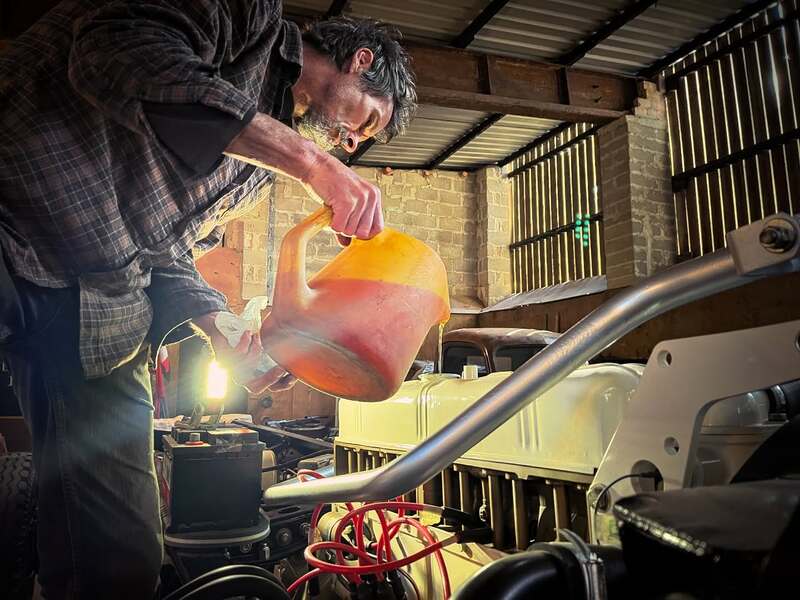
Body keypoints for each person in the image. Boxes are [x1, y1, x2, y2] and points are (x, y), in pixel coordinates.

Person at [0, 0, 416, 597]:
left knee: (120, 558)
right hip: (15, 218)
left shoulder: (255, 171)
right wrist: (313, 163)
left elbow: (164, 248)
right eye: (367, 121)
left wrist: (216, 322)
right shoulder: (244, 18)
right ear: (360, 60)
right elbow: (117, 53)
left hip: (103, 314)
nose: (351, 143)